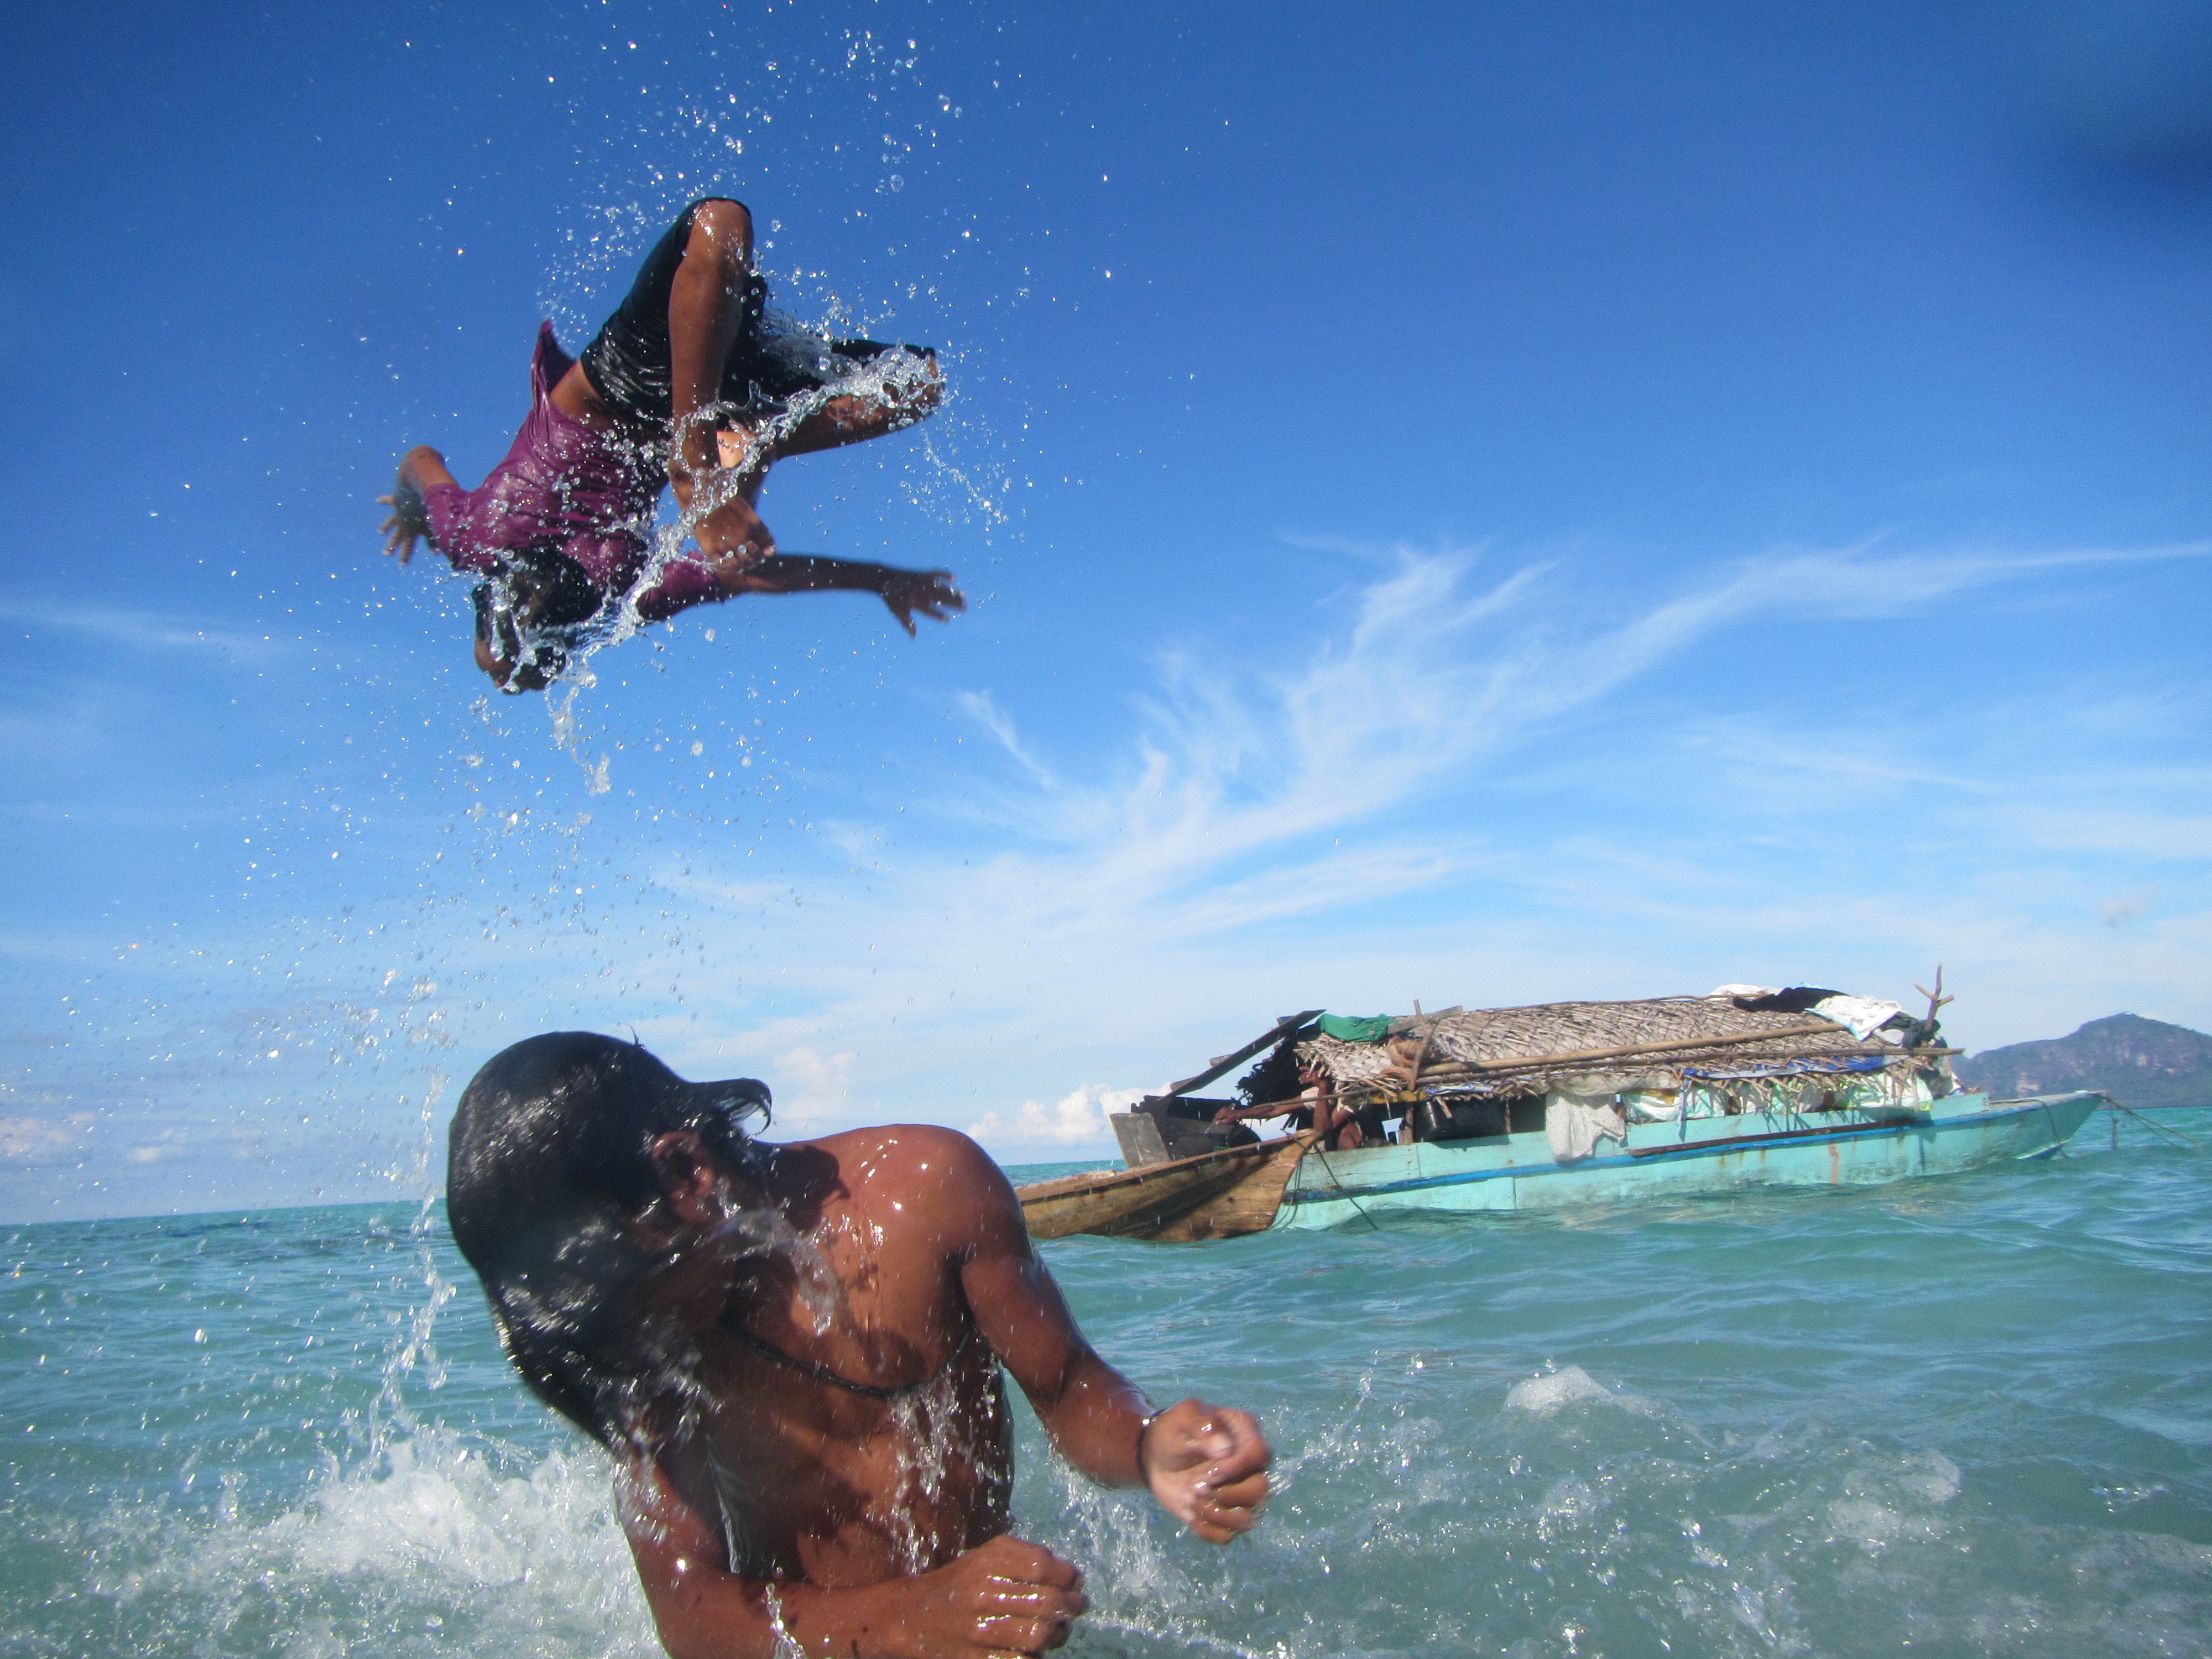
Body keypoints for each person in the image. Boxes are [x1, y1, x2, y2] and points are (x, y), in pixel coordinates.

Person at [447, 1032, 1272, 1659]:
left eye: (635, 1298)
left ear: (685, 1173)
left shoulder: (929, 1193)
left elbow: (1069, 1390)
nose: (637, 1337)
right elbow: (693, 1614)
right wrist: (918, 1618)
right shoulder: (636, 1351)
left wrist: (1148, 1443)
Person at [379, 198, 965, 691]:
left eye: (503, 669)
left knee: (720, 225)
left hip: (624, 384)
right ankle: (757, 442)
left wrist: (410, 509)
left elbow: (418, 460)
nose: (514, 683)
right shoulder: (618, 595)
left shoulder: (470, 535)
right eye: (530, 679)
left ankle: (697, 458)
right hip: (714, 389)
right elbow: (746, 573)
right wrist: (881, 579)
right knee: (919, 385)